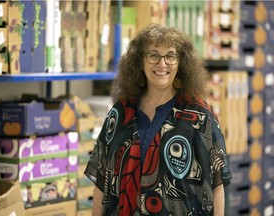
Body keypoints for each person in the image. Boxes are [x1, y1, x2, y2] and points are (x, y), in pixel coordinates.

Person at [84, 23, 232, 216]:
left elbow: (217, 183)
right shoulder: (120, 112)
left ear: (180, 63)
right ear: (140, 62)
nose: (162, 64)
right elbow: (102, 181)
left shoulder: (199, 114)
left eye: (170, 55)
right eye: (153, 55)